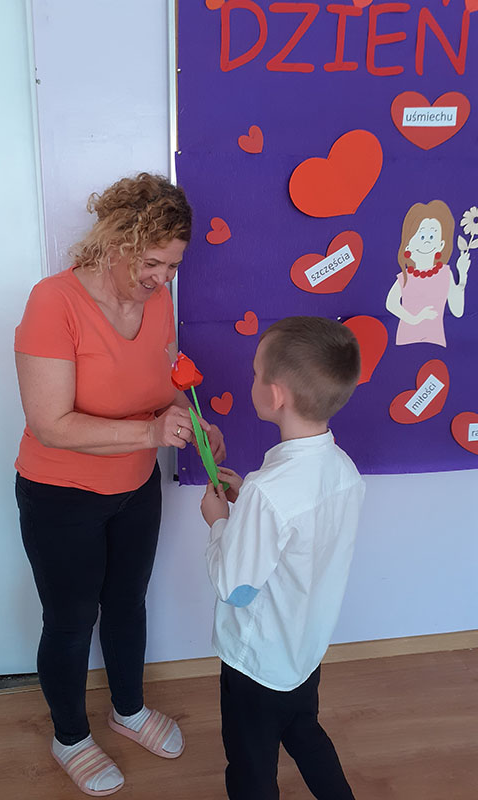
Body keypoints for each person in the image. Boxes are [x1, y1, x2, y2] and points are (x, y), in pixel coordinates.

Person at [14, 172, 225, 797]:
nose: (163, 279)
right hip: (61, 494)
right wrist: (151, 434)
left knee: (129, 601)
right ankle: (70, 736)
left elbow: (161, 389)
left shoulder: (157, 303)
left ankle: (127, 710)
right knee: (72, 618)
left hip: (135, 487)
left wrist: (195, 423)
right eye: (152, 263)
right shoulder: (53, 302)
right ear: (115, 243)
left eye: (173, 265)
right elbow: (50, 424)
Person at [200, 316, 365, 800]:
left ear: (275, 396)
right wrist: (248, 501)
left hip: (257, 665)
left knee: (250, 769)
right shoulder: (344, 471)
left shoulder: (268, 494)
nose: (251, 379)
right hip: (304, 651)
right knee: (304, 730)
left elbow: (234, 587)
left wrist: (218, 521)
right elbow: (301, 541)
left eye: (255, 373)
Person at [385, 199, 471, 347]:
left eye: (432, 236)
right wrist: (415, 319)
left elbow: (457, 311)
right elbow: (390, 303)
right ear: (408, 245)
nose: (427, 242)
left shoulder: (445, 274)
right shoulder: (405, 277)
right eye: (421, 236)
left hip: (436, 341)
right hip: (407, 341)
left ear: (441, 245)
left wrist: (462, 275)